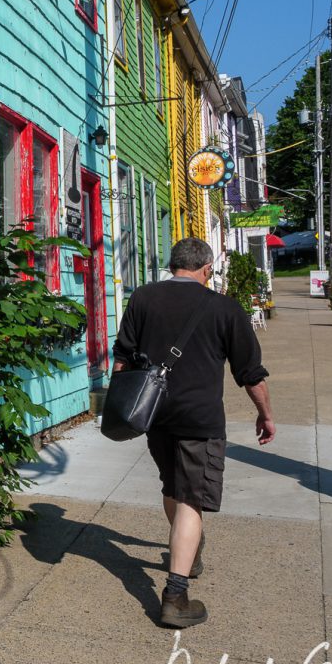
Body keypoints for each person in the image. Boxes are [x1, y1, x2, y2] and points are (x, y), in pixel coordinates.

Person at [112, 237, 275, 628]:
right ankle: (176, 595)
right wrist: (265, 414)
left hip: (153, 415)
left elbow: (123, 358)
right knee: (191, 500)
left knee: (171, 487)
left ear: (173, 265)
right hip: (199, 421)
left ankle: (188, 551)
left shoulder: (142, 299)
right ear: (205, 269)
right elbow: (250, 374)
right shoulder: (224, 308)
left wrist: (120, 408)